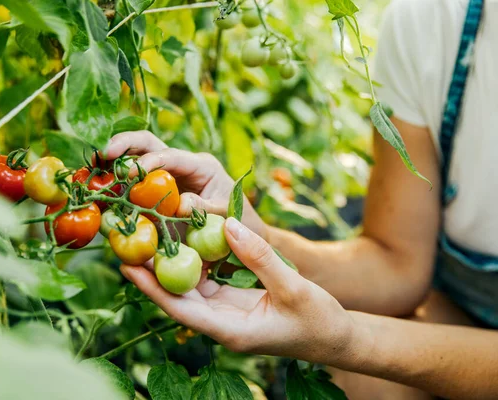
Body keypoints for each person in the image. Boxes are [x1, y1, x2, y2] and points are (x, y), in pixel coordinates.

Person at [104, 0, 498, 397]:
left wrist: (350, 341)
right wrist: (251, 239)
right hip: (464, 309)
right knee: (366, 387)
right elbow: (397, 263)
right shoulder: (432, 21)